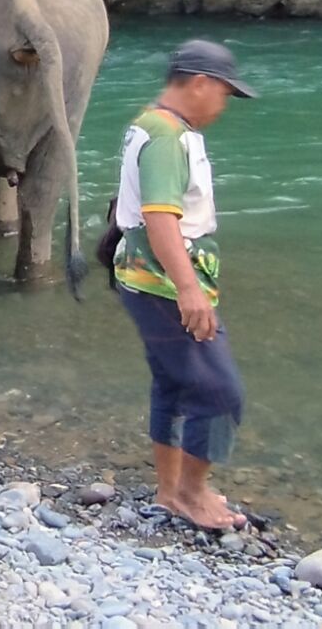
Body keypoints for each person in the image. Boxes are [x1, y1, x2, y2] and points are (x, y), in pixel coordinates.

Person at [109, 38, 257, 532]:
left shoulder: (152, 123)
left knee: (173, 383)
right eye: (224, 93)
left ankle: (170, 491)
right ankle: (194, 493)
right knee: (219, 391)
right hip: (162, 284)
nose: (224, 104)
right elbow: (159, 217)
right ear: (200, 84)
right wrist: (189, 289)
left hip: (143, 278)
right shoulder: (167, 137)